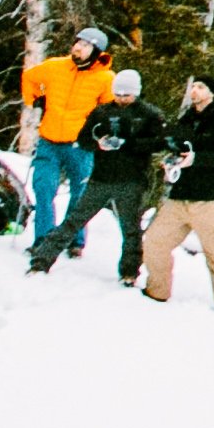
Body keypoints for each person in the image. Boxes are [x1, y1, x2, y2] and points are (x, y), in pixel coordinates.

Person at [136, 77, 214, 313]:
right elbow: (174, 145)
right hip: (180, 195)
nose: (195, 92)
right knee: (155, 242)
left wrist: (197, 159)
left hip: (212, 198)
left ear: (212, 94)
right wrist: (172, 160)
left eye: (201, 87)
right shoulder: (186, 118)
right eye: (193, 87)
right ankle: (157, 291)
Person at [15, 29, 120, 273]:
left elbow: (110, 112)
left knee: (80, 195)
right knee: (43, 188)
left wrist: (100, 130)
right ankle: (43, 239)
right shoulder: (55, 66)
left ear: (96, 52)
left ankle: (74, 240)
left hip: (80, 146)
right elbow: (29, 77)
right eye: (77, 43)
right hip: (49, 140)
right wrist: (36, 97)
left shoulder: (106, 79)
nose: (78, 48)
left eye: (85, 46)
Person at [76, 63, 163, 292]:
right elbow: (83, 138)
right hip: (101, 177)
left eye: (127, 95)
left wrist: (129, 144)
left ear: (137, 92)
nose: (122, 99)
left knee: (130, 229)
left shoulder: (149, 114)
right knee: (75, 219)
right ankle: (42, 261)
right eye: (118, 94)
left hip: (131, 179)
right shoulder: (102, 111)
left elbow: (158, 142)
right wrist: (99, 143)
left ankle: (129, 272)